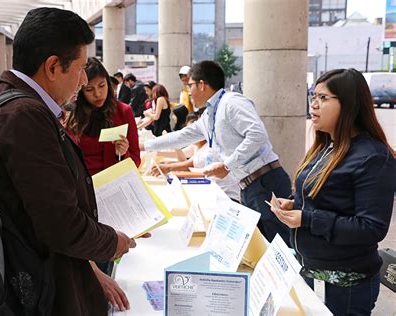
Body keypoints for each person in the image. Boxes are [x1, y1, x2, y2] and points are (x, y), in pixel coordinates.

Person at [0, 8, 137, 315]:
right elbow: (61, 225)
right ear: (54, 66)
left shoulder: (2, 107)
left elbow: (37, 211)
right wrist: (113, 242)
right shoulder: (24, 117)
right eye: (81, 68)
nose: (84, 80)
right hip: (38, 292)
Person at [270, 68, 395, 315]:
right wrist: (295, 204)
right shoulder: (327, 145)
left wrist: (307, 219)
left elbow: (371, 228)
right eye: (313, 97)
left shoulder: (373, 157)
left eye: (323, 98)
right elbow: (325, 200)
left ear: (349, 103)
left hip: (346, 285)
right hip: (314, 271)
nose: (314, 105)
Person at [141, 60, 292, 245]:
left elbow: (257, 135)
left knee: (281, 245)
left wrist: (227, 165)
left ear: (202, 84)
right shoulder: (208, 115)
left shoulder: (232, 102)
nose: (188, 91)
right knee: (261, 246)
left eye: (190, 85)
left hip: (266, 181)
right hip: (247, 186)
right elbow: (183, 136)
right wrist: (144, 146)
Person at [65, 57, 140, 175]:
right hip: (81, 187)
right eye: (89, 89)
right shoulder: (70, 115)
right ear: (80, 91)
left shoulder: (123, 111)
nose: (97, 94)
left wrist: (123, 153)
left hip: (112, 185)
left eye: (102, 85)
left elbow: (135, 160)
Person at [173, 65, 193, 130]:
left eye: (185, 76)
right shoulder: (184, 90)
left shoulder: (193, 89)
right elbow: (182, 104)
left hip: (192, 119)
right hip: (183, 119)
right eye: (181, 76)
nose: (183, 78)